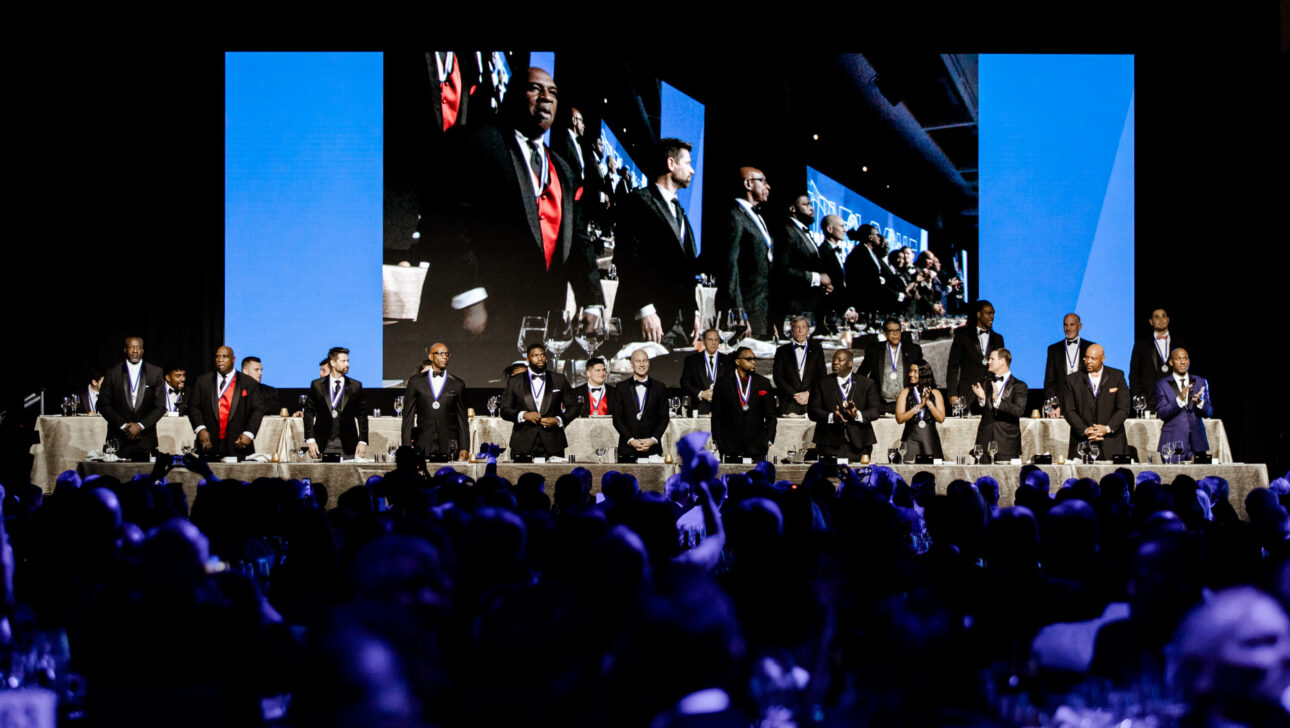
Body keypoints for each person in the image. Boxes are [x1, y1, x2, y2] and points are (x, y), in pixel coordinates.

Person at [408, 66, 604, 379]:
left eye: (552, 93)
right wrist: (469, 295)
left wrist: (592, 301)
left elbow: (578, 238)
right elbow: (447, 220)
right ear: (512, 96)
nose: (546, 99)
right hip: (479, 316)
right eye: (535, 89)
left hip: (538, 323)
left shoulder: (564, 169)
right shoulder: (475, 141)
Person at [613, 138, 700, 346]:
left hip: (679, 326)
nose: (693, 171)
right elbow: (628, 259)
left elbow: (686, 267)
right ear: (671, 164)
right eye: (688, 164)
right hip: (648, 324)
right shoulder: (637, 201)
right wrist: (645, 308)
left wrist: (694, 309)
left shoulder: (679, 210)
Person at [712, 166, 775, 339]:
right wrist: (738, 314)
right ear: (748, 183)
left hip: (763, 316)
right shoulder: (733, 216)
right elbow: (729, 267)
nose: (768, 187)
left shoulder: (758, 217)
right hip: (744, 317)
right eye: (763, 181)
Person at [187, 345, 266, 459]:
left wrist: (249, 433)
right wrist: (200, 429)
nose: (220, 360)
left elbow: (258, 410)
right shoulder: (203, 381)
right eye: (217, 357)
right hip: (209, 444)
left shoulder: (248, 383)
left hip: (239, 443)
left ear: (233, 359)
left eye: (225, 356)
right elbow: (193, 407)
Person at [500, 344, 576, 459]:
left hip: (553, 443)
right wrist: (523, 415)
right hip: (522, 443)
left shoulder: (559, 379)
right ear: (527, 359)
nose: (540, 358)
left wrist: (558, 420)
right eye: (535, 355)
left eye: (542, 355)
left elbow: (574, 407)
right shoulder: (515, 381)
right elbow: (504, 410)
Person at [96, 336, 164, 460]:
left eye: (138, 348)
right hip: (118, 440)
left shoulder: (156, 372)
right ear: (125, 350)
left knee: (146, 478)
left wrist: (140, 426)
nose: (135, 351)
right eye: (132, 347)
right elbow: (103, 404)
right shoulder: (112, 373)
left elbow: (160, 406)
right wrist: (124, 426)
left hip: (145, 440)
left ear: (143, 351)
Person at [401, 342, 469, 461]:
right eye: (441, 354)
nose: (445, 357)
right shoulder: (416, 382)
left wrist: (464, 447)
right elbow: (408, 417)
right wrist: (407, 447)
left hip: (449, 445)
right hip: (423, 443)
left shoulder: (457, 384)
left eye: (447, 354)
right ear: (431, 356)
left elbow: (462, 419)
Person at [1063, 344, 1131, 461]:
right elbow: (1069, 410)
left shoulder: (1117, 376)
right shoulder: (1072, 380)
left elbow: (1123, 408)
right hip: (1083, 442)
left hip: (1112, 442)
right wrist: (1086, 430)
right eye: (1086, 357)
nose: (1088, 361)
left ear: (1103, 359)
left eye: (1093, 358)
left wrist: (1107, 428)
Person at [808, 349, 880, 459]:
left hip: (860, 445)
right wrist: (832, 416)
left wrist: (857, 415)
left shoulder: (866, 383)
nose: (835, 362)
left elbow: (875, 411)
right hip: (829, 444)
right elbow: (812, 411)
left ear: (850, 363)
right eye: (834, 359)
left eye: (840, 360)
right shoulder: (821, 383)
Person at [773, 193, 833, 322]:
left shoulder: (802, 231)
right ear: (793, 209)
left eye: (810, 204)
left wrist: (822, 285)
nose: (812, 208)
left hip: (809, 309)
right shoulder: (786, 230)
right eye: (806, 204)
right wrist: (817, 278)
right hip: (793, 311)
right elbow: (782, 270)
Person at [710, 347, 776, 461]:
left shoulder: (763, 383)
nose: (753, 361)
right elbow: (716, 416)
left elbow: (771, 416)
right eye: (749, 359)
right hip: (730, 446)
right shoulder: (723, 383)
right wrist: (719, 442)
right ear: (738, 362)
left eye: (754, 359)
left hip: (757, 447)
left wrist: (768, 440)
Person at [304, 347, 369, 459]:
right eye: (343, 361)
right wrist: (310, 440)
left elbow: (362, 415)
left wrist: (363, 441)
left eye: (348, 361)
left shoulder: (355, 386)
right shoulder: (317, 385)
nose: (347, 364)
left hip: (348, 444)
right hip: (322, 443)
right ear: (333, 363)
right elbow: (309, 413)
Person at [610, 349, 669, 460]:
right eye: (638, 361)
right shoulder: (621, 388)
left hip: (653, 449)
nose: (642, 364)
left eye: (645, 361)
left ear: (649, 363)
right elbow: (617, 419)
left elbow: (664, 418)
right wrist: (631, 440)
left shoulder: (659, 387)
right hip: (627, 449)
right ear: (632, 364)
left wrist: (653, 440)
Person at [971, 348, 1028, 462]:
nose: (988, 362)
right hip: (984, 441)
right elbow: (976, 411)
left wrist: (998, 400)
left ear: (1002, 361)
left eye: (992, 359)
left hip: (1007, 442)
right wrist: (981, 399)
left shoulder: (1019, 386)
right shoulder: (986, 383)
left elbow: (1019, 411)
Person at [1154, 348, 1212, 460]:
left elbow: (1209, 412)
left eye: (1185, 358)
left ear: (1189, 361)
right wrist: (1179, 400)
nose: (1183, 362)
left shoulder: (1200, 381)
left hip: (1197, 443)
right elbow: (1162, 413)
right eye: (1178, 358)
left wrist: (1200, 403)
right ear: (1171, 362)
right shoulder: (1162, 385)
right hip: (1172, 443)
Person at [858, 318, 924, 415]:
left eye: (898, 330)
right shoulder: (874, 351)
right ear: (884, 333)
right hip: (881, 405)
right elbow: (861, 375)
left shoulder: (913, 350)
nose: (895, 334)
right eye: (891, 331)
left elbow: (922, 374)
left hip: (907, 404)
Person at [946, 300, 1004, 410]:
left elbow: (1001, 369)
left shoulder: (998, 339)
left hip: (989, 395)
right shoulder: (963, 336)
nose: (992, 317)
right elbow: (953, 366)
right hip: (967, 394)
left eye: (993, 313)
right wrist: (952, 394)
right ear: (978, 314)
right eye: (988, 313)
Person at [843, 224, 908, 315]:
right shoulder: (860, 253)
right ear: (870, 237)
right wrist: (896, 295)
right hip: (861, 305)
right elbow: (870, 282)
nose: (879, 238)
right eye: (877, 235)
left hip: (870, 305)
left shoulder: (869, 253)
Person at [772, 316, 827, 416]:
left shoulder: (817, 349)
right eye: (797, 327)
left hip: (811, 400)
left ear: (808, 331)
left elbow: (822, 375)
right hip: (789, 401)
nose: (800, 330)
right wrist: (795, 395)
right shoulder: (782, 351)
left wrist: (808, 393)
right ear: (792, 331)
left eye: (803, 327)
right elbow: (778, 377)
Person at [1130, 308, 1184, 409]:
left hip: (1175, 397)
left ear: (1168, 320)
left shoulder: (1179, 342)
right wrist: (1138, 396)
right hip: (1149, 399)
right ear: (1151, 321)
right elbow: (1134, 372)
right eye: (1157, 317)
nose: (1161, 319)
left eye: (1163, 316)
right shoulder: (1141, 344)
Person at [1042, 313, 1095, 415]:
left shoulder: (1091, 347)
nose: (1068, 328)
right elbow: (1049, 381)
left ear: (1080, 326)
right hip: (1061, 406)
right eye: (1065, 325)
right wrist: (1053, 404)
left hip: (1085, 405)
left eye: (1072, 325)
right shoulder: (1053, 349)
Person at [894, 359, 945, 461]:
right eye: (910, 371)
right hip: (910, 438)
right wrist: (919, 406)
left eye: (915, 371)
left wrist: (928, 403)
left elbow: (941, 418)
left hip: (929, 439)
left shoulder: (935, 393)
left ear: (924, 373)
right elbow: (899, 419)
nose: (911, 374)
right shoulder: (905, 393)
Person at [680, 329, 729, 416]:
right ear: (703, 341)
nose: (713, 343)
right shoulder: (692, 360)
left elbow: (732, 383)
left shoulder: (727, 360)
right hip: (699, 409)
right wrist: (701, 393)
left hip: (723, 410)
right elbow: (684, 383)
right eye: (710, 339)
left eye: (716, 339)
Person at [815, 214, 851, 319]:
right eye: (842, 226)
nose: (845, 230)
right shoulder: (822, 252)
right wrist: (844, 310)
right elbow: (829, 287)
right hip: (830, 313)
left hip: (841, 310)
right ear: (829, 229)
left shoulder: (836, 251)